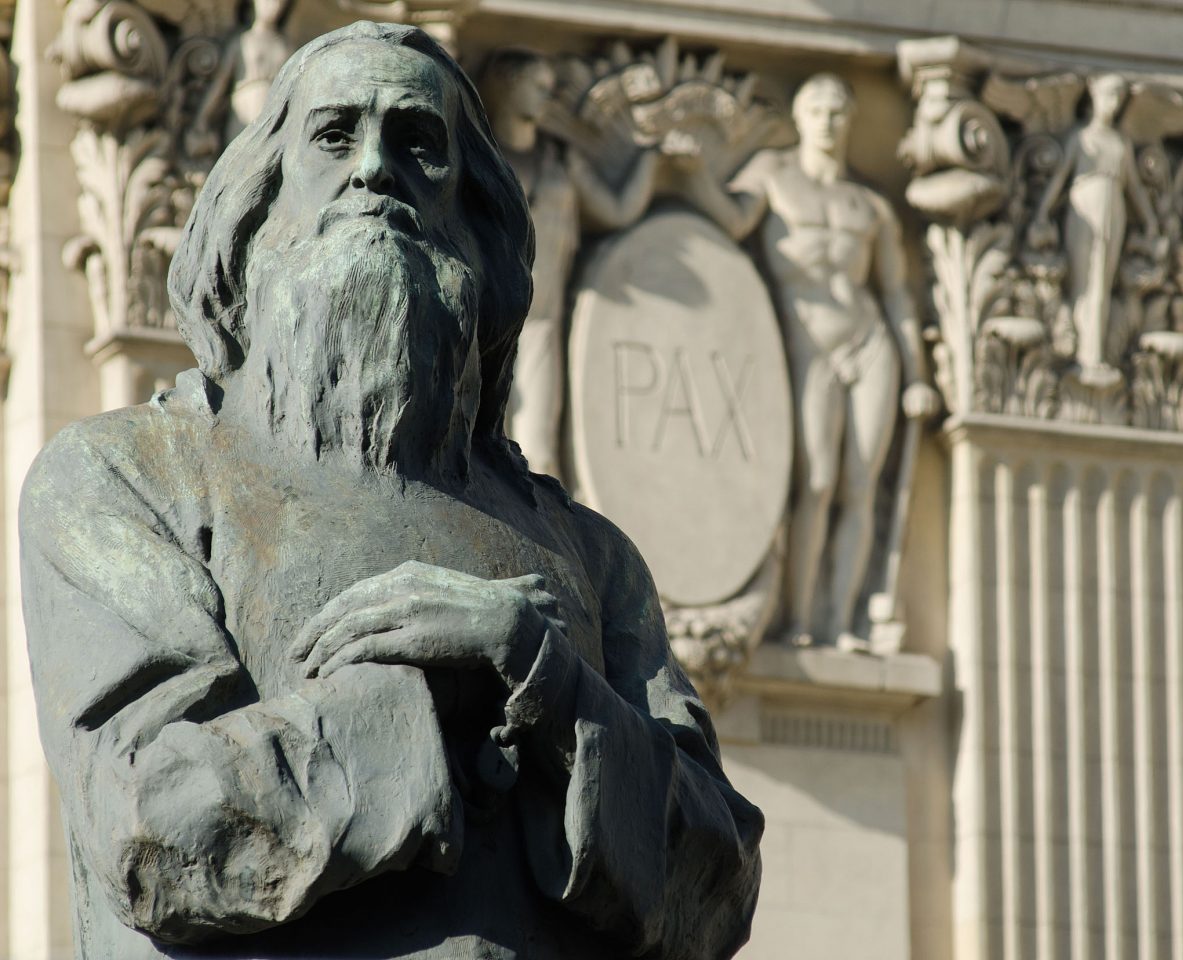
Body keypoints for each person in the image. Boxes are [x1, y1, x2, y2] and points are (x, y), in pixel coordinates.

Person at [21, 22, 761, 960]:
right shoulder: (127, 480)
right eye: (334, 136)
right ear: (261, 198)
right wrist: (435, 692)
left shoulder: (589, 554)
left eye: (419, 144)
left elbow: (720, 879)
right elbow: (153, 820)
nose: (376, 169)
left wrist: (545, 677)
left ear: (473, 216)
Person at [675, 73, 939, 648]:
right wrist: (693, 174)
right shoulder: (774, 174)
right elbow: (734, 219)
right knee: (816, 482)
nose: (829, 121)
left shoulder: (868, 204)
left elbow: (895, 292)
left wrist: (918, 376)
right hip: (806, 340)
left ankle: (839, 622)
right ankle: (797, 622)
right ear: (800, 118)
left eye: (839, 111)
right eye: (818, 109)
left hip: (869, 342)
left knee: (860, 486)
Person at [476, 49, 661, 479]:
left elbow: (616, 210)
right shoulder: (479, 158)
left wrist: (651, 156)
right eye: (536, 84)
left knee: (538, 450)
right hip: (485, 321)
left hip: (542, 321)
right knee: (479, 444)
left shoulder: (561, 160)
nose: (548, 93)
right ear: (506, 84)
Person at [1028, 73, 1163, 386]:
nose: (1113, 104)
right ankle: (1080, 353)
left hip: (1113, 210)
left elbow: (1136, 190)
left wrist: (1150, 220)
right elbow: (1060, 178)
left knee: (1102, 283)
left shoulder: (1120, 142)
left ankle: (1097, 354)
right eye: (1108, 96)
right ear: (1094, 98)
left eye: (1118, 97)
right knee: (1084, 282)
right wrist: (1042, 212)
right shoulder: (1082, 138)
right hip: (1084, 208)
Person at [186, 0, 293, 158]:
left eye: (279, 2)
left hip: (275, 116)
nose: (273, 6)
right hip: (245, 111)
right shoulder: (243, 41)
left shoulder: (286, 46)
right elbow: (220, 83)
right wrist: (202, 117)